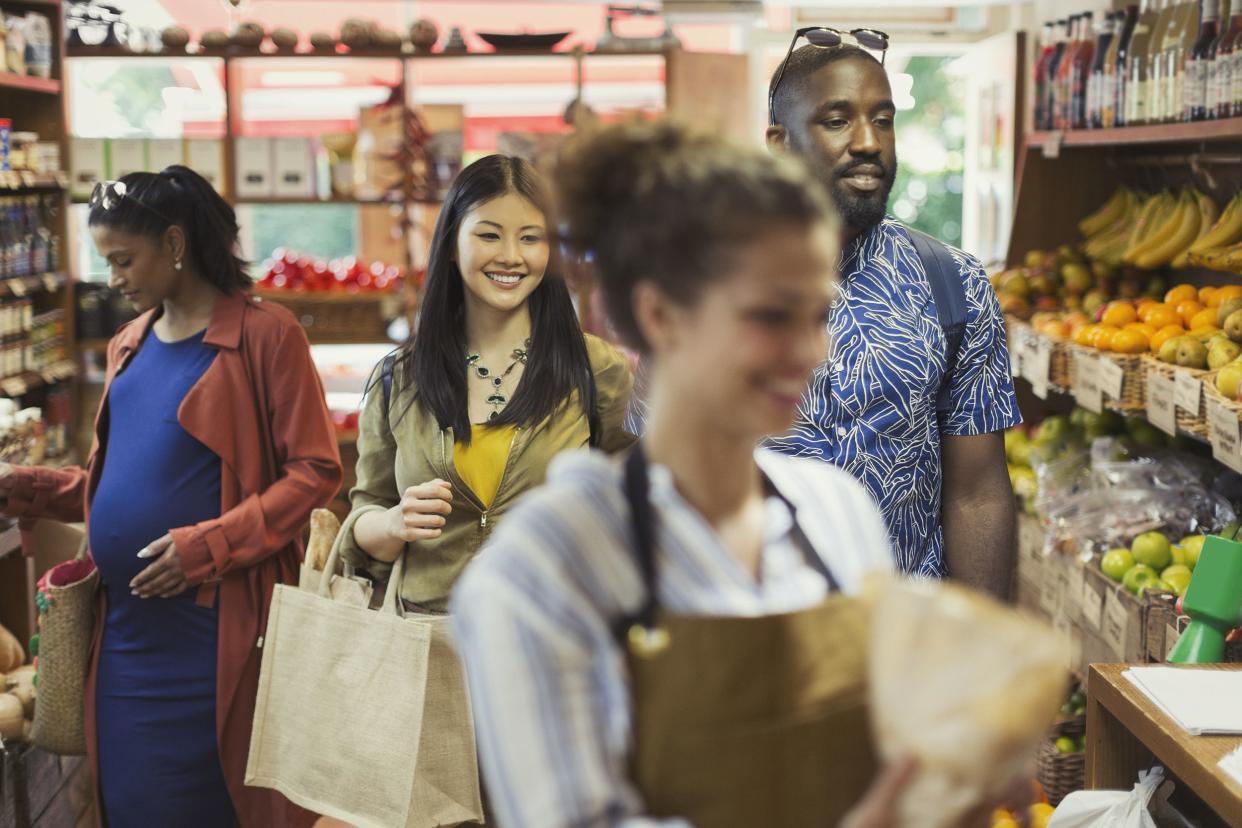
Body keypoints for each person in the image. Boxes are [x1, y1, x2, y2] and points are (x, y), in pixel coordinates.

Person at [450, 121, 931, 827]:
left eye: (820, 313)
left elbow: (886, 745)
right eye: (772, 316)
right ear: (659, 314)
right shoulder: (542, 571)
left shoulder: (838, 515)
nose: (811, 352)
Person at [0, 167, 342, 826]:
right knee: (132, 804)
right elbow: (120, 484)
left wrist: (208, 546)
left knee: (224, 803)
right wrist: (30, 487)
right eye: (107, 262)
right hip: (126, 640)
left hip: (219, 636)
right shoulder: (128, 344)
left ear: (175, 243)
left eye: (123, 260)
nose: (113, 279)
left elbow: (314, 472)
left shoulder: (265, 337)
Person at [765, 32, 1020, 597]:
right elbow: (661, 476)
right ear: (779, 144)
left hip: (904, 648)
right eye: (837, 120)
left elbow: (977, 492)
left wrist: (982, 648)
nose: (868, 142)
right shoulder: (703, 288)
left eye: (883, 120)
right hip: (757, 651)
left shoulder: (955, 285)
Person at [338, 152, 634, 612]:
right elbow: (363, 516)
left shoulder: (596, 368)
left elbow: (634, 493)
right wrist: (394, 523)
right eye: (489, 235)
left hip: (552, 637)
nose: (511, 257)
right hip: (426, 645)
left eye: (530, 238)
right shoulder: (399, 378)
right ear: (453, 242)